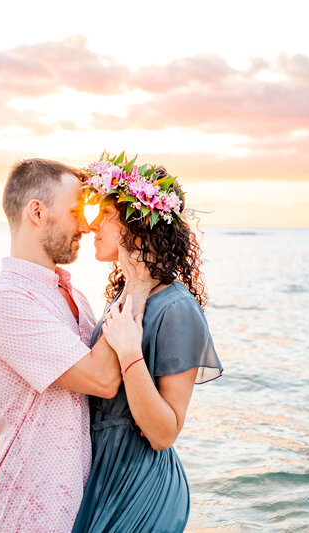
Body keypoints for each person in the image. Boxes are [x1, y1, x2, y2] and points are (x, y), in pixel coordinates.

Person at [0, 158, 153, 532]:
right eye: (74, 212)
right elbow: (101, 378)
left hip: (85, 511)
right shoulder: (4, 301)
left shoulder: (75, 298)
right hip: (33, 515)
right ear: (36, 212)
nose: (86, 226)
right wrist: (137, 280)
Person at [71, 153, 224, 532]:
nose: (92, 226)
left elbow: (164, 432)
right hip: (102, 475)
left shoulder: (177, 308)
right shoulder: (126, 295)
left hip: (142, 483)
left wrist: (129, 355)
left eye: (104, 215)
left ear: (135, 226)